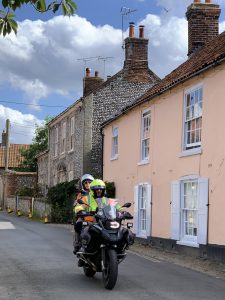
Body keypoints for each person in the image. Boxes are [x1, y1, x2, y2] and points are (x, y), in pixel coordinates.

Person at [73, 174, 94, 254]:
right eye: (86, 183)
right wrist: (79, 210)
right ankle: (77, 245)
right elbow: (77, 204)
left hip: (97, 217)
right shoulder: (81, 194)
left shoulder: (97, 193)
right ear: (83, 184)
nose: (88, 184)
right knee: (78, 224)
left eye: (90, 182)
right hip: (85, 217)